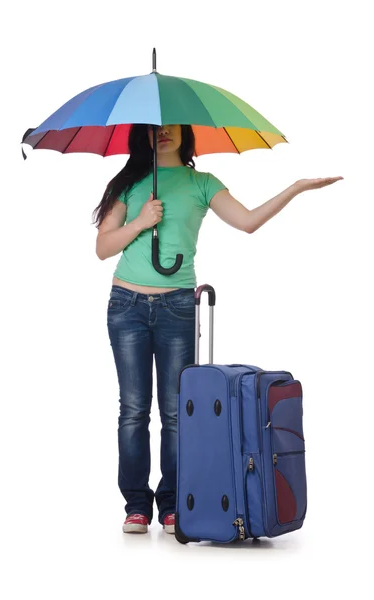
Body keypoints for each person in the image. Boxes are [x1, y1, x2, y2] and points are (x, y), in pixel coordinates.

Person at [92, 123, 343, 534]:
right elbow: (103, 248)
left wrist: (295, 188)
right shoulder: (130, 183)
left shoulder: (202, 183)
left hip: (177, 306)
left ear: (185, 133)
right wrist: (139, 222)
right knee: (133, 411)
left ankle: (173, 503)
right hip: (127, 306)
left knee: (177, 414)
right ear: (144, 135)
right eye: (155, 128)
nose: (164, 134)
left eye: (172, 127)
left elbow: (247, 221)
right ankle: (136, 505)